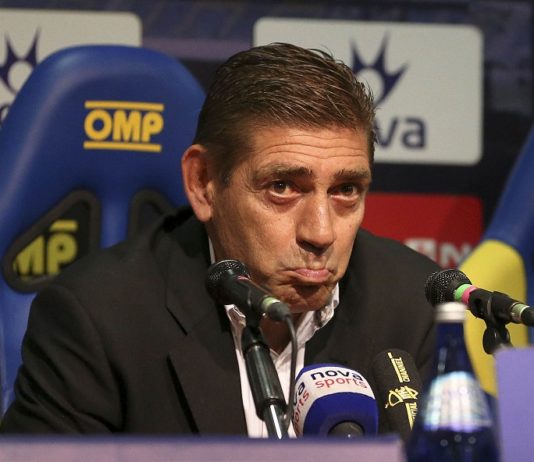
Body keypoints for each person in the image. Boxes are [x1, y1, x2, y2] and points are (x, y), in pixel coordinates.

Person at [0, 42, 439, 435]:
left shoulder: (411, 305)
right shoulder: (97, 318)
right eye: (282, 187)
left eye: (345, 190)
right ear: (203, 183)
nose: (321, 232)